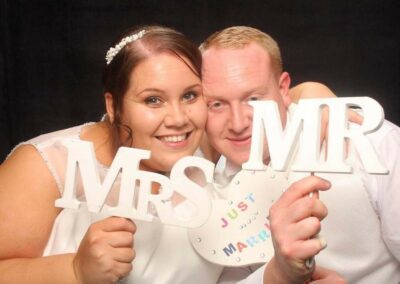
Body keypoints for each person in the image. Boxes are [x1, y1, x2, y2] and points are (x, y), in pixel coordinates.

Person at [0, 25, 341, 283]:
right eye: (153, 100)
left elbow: (267, 95)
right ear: (113, 105)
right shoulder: (48, 163)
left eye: (191, 95)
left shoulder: (204, 147)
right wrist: (74, 271)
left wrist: (312, 94)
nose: (177, 119)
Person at [200, 25, 400, 283]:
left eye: (253, 99)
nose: (238, 123)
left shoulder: (369, 141)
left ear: (284, 89)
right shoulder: (208, 184)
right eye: (217, 104)